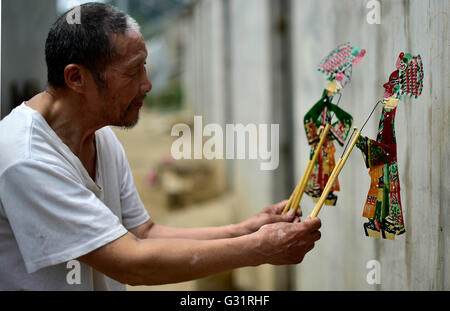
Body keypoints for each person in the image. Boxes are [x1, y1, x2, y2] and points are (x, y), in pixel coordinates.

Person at [0, 3, 321, 290]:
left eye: (144, 67)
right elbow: (132, 262)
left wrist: (245, 230)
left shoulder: (99, 135)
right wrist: (258, 249)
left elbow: (143, 233)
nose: (147, 84)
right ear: (76, 78)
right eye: (131, 72)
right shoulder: (26, 157)